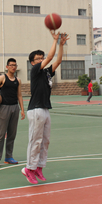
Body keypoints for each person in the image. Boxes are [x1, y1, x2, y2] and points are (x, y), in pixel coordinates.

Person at [23, 31, 69, 184]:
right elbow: (50, 57)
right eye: (38, 58)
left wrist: (61, 46)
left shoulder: (47, 73)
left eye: (42, 57)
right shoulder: (35, 71)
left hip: (45, 108)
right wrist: (55, 41)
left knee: (45, 141)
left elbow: (58, 60)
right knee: (35, 140)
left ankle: (39, 167)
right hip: (35, 109)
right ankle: (29, 168)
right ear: (32, 62)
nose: (42, 59)